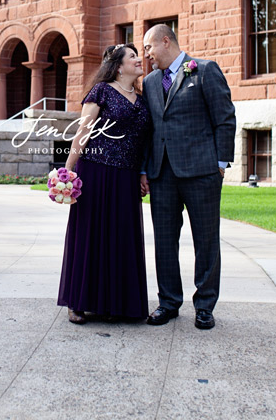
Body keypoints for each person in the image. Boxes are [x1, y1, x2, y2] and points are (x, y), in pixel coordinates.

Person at [141, 24, 236, 330]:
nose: (146, 55)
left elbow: (225, 118)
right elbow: (149, 130)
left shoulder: (205, 71)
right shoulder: (151, 82)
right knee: (164, 242)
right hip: (162, 174)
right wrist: (144, 169)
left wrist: (220, 162)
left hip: (201, 172)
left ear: (165, 42)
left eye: (148, 47)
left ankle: (205, 306)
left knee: (205, 241)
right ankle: (168, 302)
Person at [58, 43, 152, 324]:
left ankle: (116, 304)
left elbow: (144, 141)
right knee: (89, 236)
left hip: (126, 176)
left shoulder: (142, 98)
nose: (139, 60)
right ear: (118, 65)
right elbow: (82, 133)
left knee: (121, 238)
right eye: (133, 57)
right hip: (96, 172)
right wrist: (67, 171)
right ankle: (77, 301)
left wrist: (142, 174)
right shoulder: (101, 90)